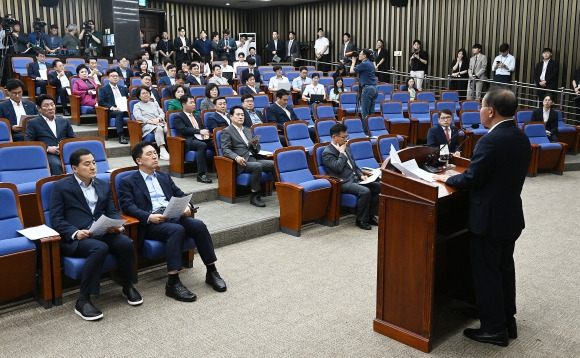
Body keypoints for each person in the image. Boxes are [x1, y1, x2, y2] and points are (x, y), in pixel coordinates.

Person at [433, 89, 531, 347]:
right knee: (503, 269)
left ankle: (493, 329)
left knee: (487, 273)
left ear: (490, 111)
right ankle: (507, 320)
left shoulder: (491, 141)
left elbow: (473, 178)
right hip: (509, 216)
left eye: (481, 107)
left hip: (489, 219)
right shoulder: (520, 137)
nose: (479, 111)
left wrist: (447, 178)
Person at [119, 141, 227, 302]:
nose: (155, 156)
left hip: (172, 216)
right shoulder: (128, 181)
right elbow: (127, 206)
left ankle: (211, 272)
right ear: (138, 160)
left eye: (155, 152)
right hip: (151, 222)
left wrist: (187, 206)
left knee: (198, 225)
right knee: (176, 230)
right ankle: (173, 282)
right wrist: (149, 217)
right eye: (149, 154)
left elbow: (180, 194)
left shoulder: (163, 176)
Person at [50, 148, 141, 321]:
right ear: (74, 168)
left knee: (125, 243)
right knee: (99, 248)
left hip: (101, 231)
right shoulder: (60, 187)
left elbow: (112, 211)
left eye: (93, 162)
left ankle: (127, 285)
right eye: (87, 164)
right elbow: (56, 219)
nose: (92, 167)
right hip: (79, 237)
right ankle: (83, 299)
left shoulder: (102, 185)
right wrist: (75, 232)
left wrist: (117, 226)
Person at [322, 122, 380, 230]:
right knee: (365, 191)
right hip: (343, 182)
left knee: (378, 187)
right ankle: (361, 220)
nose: (345, 140)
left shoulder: (346, 148)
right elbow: (338, 168)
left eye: (346, 137)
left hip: (356, 179)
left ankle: (370, 216)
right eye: (343, 137)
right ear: (334, 137)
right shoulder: (327, 152)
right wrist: (342, 153)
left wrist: (361, 175)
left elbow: (354, 165)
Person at [220, 106, 275, 207]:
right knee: (257, 166)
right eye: (238, 115)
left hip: (253, 158)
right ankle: (254, 195)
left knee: (273, 164)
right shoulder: (226, 131)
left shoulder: (247, 130)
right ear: (231, 116)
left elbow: (256, 149)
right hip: (240, 162)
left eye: (242, 115)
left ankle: (282, 189)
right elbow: (226, 150)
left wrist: (254, 144)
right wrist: (236, 157)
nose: (241, 117)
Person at [25, 94, 76, 175]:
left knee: (81, 160)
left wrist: (63, 146)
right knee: (56, 164)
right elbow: (29, 142)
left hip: (65, 151)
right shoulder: (32, 123)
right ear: (39, 108)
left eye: (52, 105)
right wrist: (47, 149)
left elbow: (73, 138)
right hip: (48, 153)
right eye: (46, 106)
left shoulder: (63, 121)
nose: (50, 108)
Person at [172, 95, 213, 183]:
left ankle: (218, 169)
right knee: (202, 145)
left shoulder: (197, 116)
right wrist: (199, 132)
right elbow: (183, 129)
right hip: (188, 140)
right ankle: (201, 174)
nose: (194, 104)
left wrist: (205, 134)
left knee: (215, 143)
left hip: (200, 138)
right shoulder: (178, 117)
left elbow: (202, 129)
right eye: (191, 102)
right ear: (183, 104)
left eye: (194, 102)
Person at [133, 86, 169, 160]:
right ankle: (162, 150)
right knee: (158, 128)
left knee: (168, 129)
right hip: (147, 125)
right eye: (143, 93)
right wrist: (153, 122)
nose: (146, 95)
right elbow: (139, 117)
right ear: (139, 96)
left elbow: (162, 113)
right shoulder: (137, 106)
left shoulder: (155, 103)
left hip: (159, 122)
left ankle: (172, 149)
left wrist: (158, 119)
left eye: (147, 93)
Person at [97, 69, 129, 144]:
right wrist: (112, 107)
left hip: (124, 109)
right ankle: (121, 135)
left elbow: (127, 99)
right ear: (108, 78)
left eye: (117, 76)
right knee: (119, 113)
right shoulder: (103, 89)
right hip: (111, 111)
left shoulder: (123, 88)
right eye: (113, 76)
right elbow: (101, 101)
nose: (115, 78)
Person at [350, 49, 378, 131]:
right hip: (374, 88)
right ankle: (371, 131)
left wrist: (353, 62)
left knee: (365, 112)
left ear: (365, 56)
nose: (359, 55)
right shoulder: (370, 63)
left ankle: (365, 132)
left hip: (367, 89)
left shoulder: (364, 63)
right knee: (371, 112)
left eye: (361, 54)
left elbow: (351, 71)